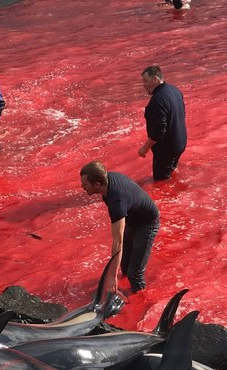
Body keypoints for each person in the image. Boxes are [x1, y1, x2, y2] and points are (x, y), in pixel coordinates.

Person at [79, 160, 160, 293]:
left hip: (147, 225)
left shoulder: (116, 201)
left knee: (135, 274)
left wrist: (112, 277)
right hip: (133, 220)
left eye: (85, 184)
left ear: (97, 184)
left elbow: (118, 242)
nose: (82, 186)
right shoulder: (106, 178)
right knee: (125, 267)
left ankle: (140, 302)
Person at [139, 65, 186, 181]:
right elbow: (182, 114)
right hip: (180, 143)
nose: (143, 85)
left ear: (155, 79)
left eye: (146, 81)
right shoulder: (175, 91)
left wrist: (144, 148)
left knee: (161, 183)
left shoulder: (157, 100)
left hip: (166, 150)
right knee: (171, 174)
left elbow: (158, 132)